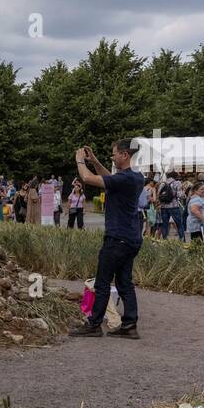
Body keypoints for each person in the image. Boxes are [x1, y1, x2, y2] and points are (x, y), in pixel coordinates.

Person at [69, 140, 143, 339]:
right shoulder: (135, 178)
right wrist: (94, 160)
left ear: (125, 155)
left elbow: (87, 178)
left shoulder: (124, 179)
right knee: (125, 282)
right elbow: (109, 178)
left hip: (117, 238)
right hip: (131, 238)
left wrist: (80, 161)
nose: (113, 157)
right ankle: (129, 325)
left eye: (115, 154)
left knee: (102, 282)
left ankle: (94, 324)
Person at [157, 173, 185, 240]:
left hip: (163, 207)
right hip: (174, 206)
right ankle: (182, 239)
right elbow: (180, 195)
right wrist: (183, 192)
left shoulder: (162, 183)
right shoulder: (177, 183)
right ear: (175, 176)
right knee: (179, 224)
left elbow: (159, 194)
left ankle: (164, 239)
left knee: (165, 224)